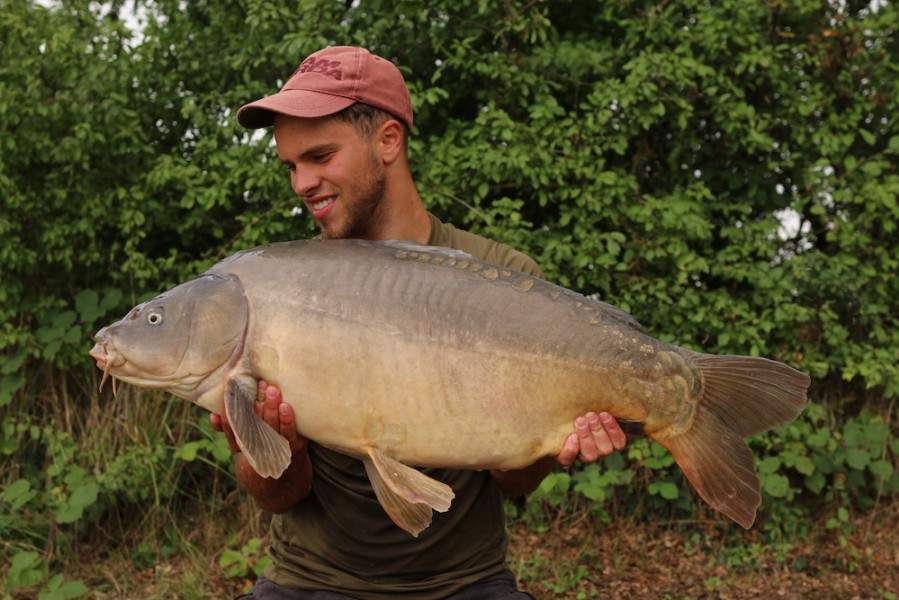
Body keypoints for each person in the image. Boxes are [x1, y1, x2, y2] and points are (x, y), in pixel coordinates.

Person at [212, 46, 627, 600]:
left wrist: (553, 441)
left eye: (319, 156)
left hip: (466, 582)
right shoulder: (279, 288)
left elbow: (517, 481)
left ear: (388, 140)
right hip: (311, 581)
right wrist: (269, 443)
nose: (301, 183)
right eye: (291, 165)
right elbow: (278, 496)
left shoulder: (503, 277)